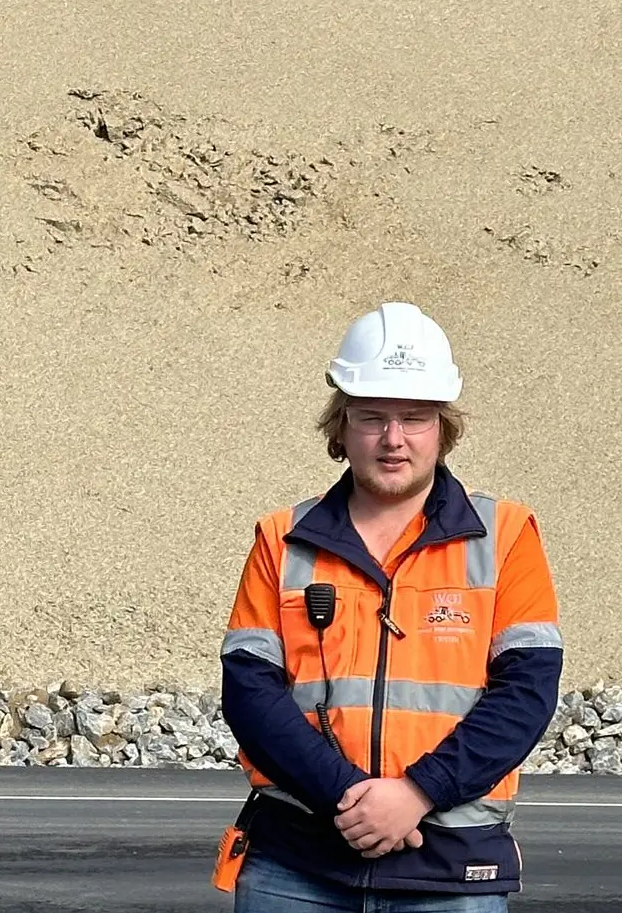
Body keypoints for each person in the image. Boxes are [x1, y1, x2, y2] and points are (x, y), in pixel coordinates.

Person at [210, 302, 564, 911]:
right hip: (297, 864)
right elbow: (249, 693)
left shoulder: (505, 536)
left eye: (415, 418)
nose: (393, 438)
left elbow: (526, 694)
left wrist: (416, 794)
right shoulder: (282, 539)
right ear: (341, 427)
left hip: (452, 867)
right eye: (372, 417)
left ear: (442, 427)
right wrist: (351, 799)